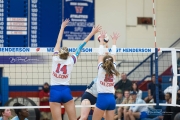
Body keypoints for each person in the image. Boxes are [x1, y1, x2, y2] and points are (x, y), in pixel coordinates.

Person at [49, 19, 102, 120]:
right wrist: (92, 32)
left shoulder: (55, 57)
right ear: (68, 54)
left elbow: (58, 40)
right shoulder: (71, 60)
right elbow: (81, 45)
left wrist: (62, 27)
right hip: (65, 91)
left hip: (54, 91)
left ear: (59, 53)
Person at [92, 31, 120, 120]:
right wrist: (114, 41)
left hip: (102, 98)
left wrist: (101, 41)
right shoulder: (114, 68)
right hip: (112, 99)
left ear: (104, 62)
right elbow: (114, 55)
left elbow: (100, 54)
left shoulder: (100, 69)